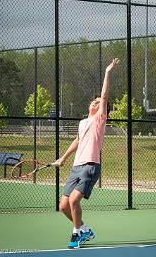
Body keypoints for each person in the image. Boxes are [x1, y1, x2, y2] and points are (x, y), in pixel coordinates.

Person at [53, 58, 120, 249]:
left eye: (99, 102)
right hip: (76, 167)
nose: (96, 101)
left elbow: (105, 95)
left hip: (91, 167)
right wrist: (63, 158)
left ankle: (76, 235)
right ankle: (84, 229)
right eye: (95, 101)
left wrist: (108, 72)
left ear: (102, 109)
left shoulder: (100, 119)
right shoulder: (83, 123)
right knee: (63, 206)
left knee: (74, 200)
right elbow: (77, 140)